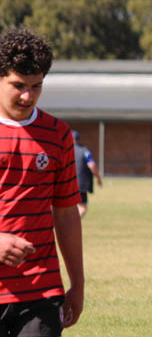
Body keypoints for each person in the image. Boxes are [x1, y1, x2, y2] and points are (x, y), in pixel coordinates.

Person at [0, 28, 84, 334]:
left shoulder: (58, 134)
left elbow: (66, 213)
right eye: (18, 85)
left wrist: (77, 283)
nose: (28, 96)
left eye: (36, 86)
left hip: (41, 291)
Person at [72, 130, 103, 217]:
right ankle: (72, 222)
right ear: (78, 139)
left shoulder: (66, 150)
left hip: (67, 183)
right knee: (82, 207)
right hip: (80, 184)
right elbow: (91, 165)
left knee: (70, 207)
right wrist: (98, 178)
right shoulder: (84, 151)